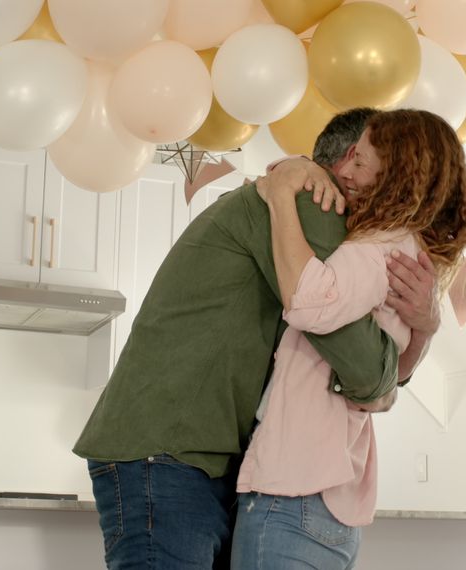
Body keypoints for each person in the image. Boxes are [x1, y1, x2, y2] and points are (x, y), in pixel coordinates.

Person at [73, 108, 440, 569]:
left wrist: (423, 328)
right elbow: (368, 373)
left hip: (182, 455)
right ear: (348, 159)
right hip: (170, 454)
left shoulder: (299, 205)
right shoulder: (311, 205)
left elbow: (370, 379)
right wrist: (417, 336)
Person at [230, 109, 466, 569]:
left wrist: (282, 195)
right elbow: (388, 379)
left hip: (294, 490)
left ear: (397, 174)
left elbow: (310, 304)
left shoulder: (379, 244)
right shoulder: (412, 252)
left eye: (360, 161)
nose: (344, 171)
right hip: (335, 505)